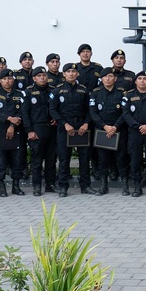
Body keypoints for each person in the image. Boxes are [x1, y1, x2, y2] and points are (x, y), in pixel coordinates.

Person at [50, 62, 93, 197]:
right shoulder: (57, 90)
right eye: (68, 72)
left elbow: (89, 109)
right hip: (65, 128)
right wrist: (64, 124)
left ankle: (85, 186)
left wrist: (86, 123)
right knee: (64, 159)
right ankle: (63, 187)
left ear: (77, 74)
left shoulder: (83, 90)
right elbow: (52, 110)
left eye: (74, 72)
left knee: (84, 158)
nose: (71, 74)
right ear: (64, 74)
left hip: (81, 127)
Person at [89, 67, 128, 196]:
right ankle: (103, 186)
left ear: (115, 78)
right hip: (102, 131)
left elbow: (125, 113)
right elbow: (93, 113)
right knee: (103, 160)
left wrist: (115, 127)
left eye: (110, 76)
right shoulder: (95, 93)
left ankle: (125, 186)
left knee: (121, 158)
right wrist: (105, 126)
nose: (108, 79)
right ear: (101, 79)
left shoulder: (122, 93)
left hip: (119, 130)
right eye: (105, 76)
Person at [0, 69, 26, 197]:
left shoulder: (20, 94)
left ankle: (16, 186)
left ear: (13, 80)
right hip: (0, 130)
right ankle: (1, 186)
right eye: (4, 79)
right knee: (1, 159)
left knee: (17, 158)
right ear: (0, 81)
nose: (7, 81)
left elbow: (22, 112)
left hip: (17, 129)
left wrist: (13, 125)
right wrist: (9, 119)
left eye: (10, 78)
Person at [21, 66, 57, 196]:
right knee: (37, 159)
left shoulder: (53, 91)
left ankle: (50, 184)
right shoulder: (28, 92)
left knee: (51, 158)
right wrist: (29, 130)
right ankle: (36, 186)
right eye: (39, 76)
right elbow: (25, 113)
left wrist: (56, 119)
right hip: (36, 128)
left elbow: (56, 108)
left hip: (52, 128)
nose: (42, 78)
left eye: (44, 75)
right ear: (34, 78)